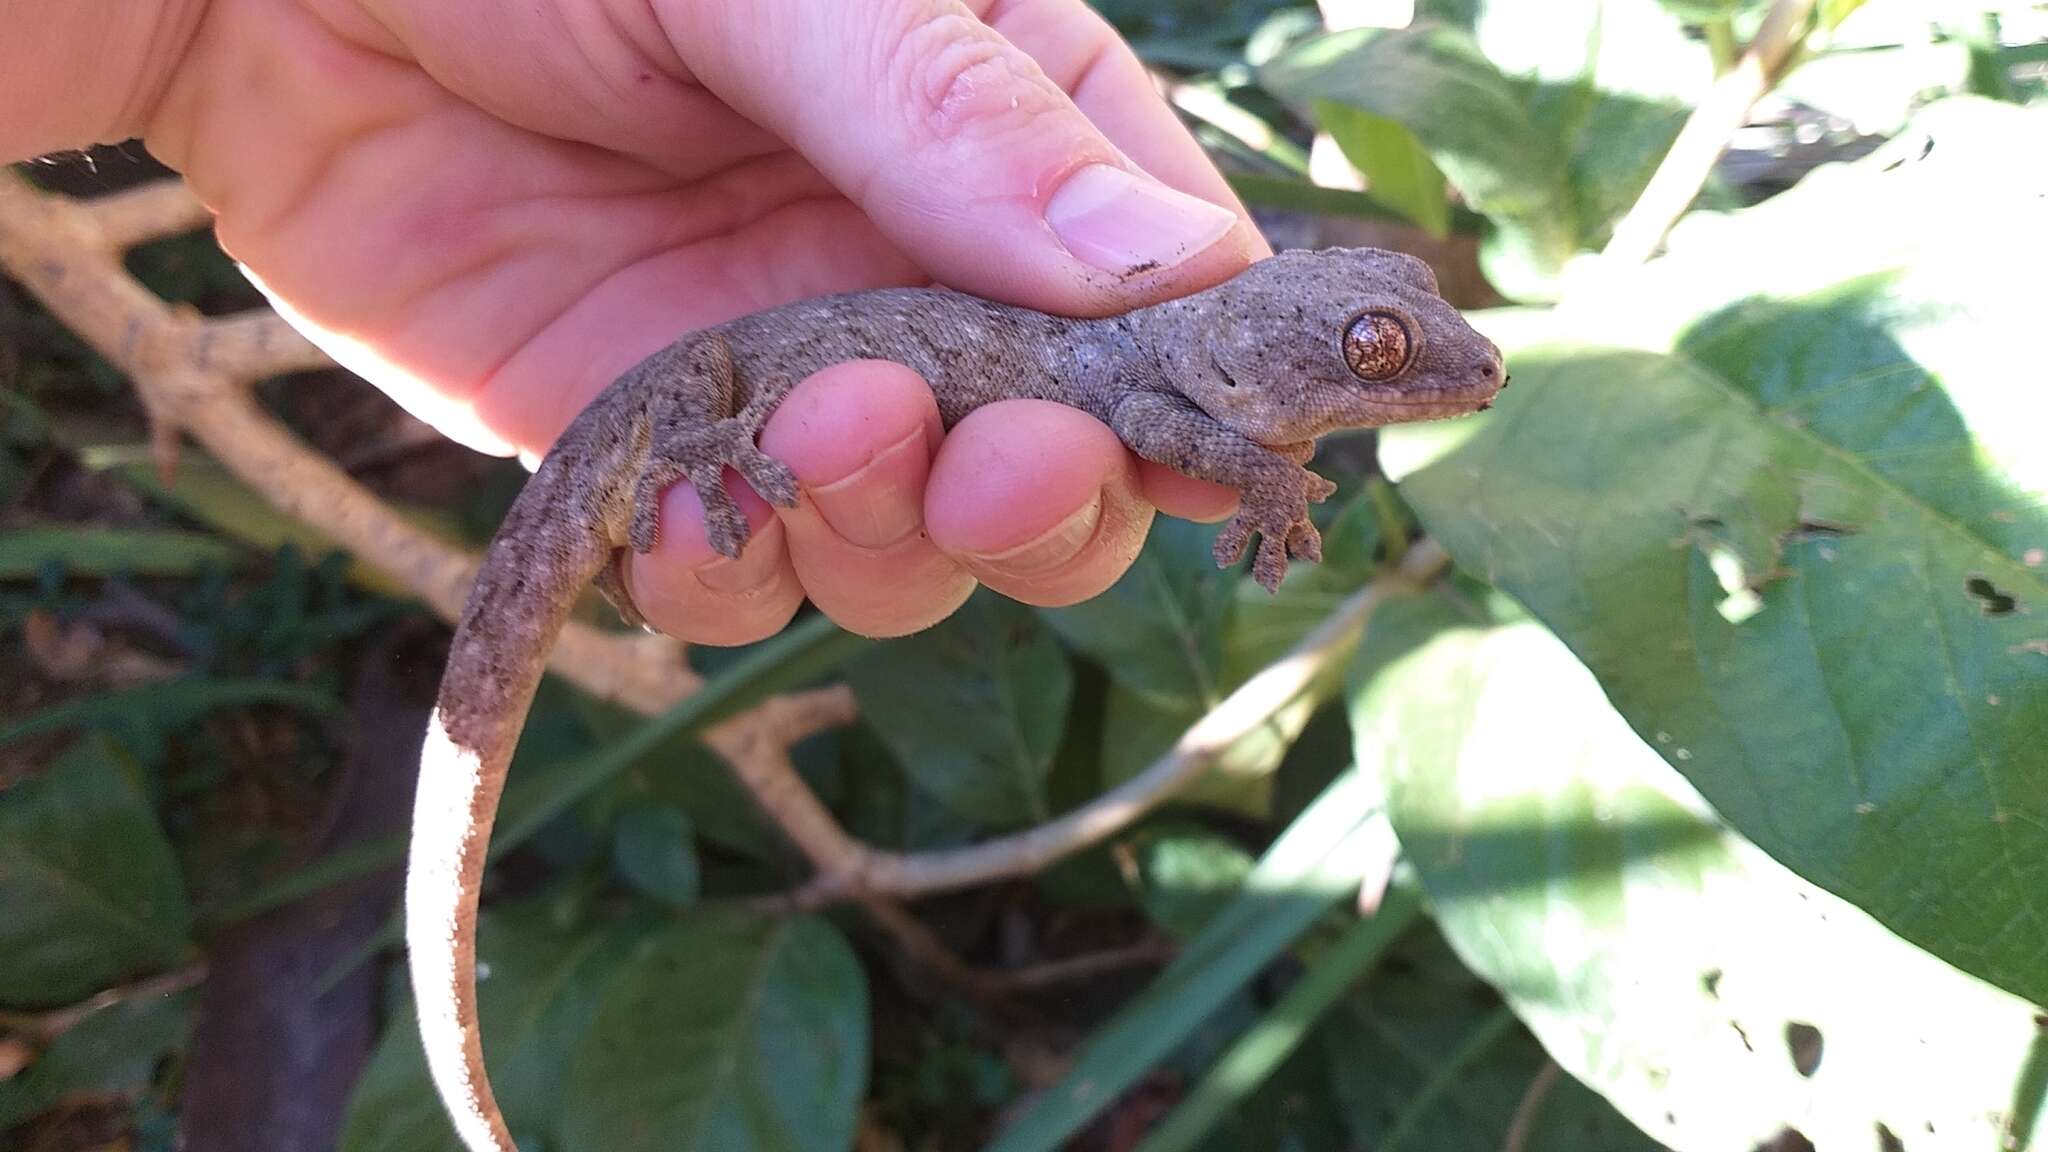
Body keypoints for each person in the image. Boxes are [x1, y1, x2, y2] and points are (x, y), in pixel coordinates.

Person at [6, 0, 1269, 643]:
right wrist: (1265, 482)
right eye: (1374, 345)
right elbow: (1179, 433)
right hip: (683, 394)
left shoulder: (1149, 360)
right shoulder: (1149, 352)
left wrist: (221, 34)